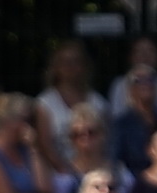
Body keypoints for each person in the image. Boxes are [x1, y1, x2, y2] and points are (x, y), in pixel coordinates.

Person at [35, 41, 108, 175]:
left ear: (84, 65)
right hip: (59, 173)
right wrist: (66, 172)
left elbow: (105, 141)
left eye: (75, 61)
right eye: (65, 62)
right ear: (56, 67)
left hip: (96, 172)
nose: (70, 67)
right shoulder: (45, 103)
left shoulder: (98, 102)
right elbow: (45, 145)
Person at [106, 37, 157, 122]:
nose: (145, 56)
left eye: (150, 50)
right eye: (139, 51)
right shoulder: (119, 85)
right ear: (130, 56)